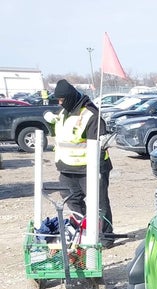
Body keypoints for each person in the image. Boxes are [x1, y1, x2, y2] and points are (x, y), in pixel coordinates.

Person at [45, 79, 115, 247]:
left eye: (62, 99)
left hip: (89, 168)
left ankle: (106, 237)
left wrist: (97, 169)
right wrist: (50, 123)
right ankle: (84, 232)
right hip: (66, 168)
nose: (60, 103)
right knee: (72, 202)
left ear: (70, 97)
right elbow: (61, 136)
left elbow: (99, 145)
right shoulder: (64, 112)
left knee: (99, 204)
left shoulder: (91, 115)